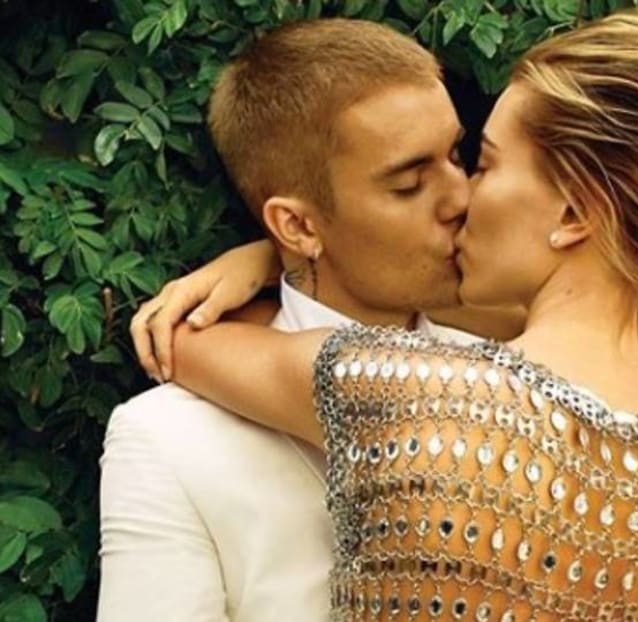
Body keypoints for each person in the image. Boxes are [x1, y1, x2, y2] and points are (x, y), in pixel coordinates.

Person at [141, 11, 638, 621]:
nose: (464, 195)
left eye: (484, 165)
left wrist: (281, 253)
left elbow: (182, 338)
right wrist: (275, 252)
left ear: (574, 214)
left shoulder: (407, 396)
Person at [97, 18, 522, 622]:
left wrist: (269, 258)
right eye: (409, 184)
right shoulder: (168, 437)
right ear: (296, 225)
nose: (461, 198)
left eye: (457, 156)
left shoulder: (520, 374)